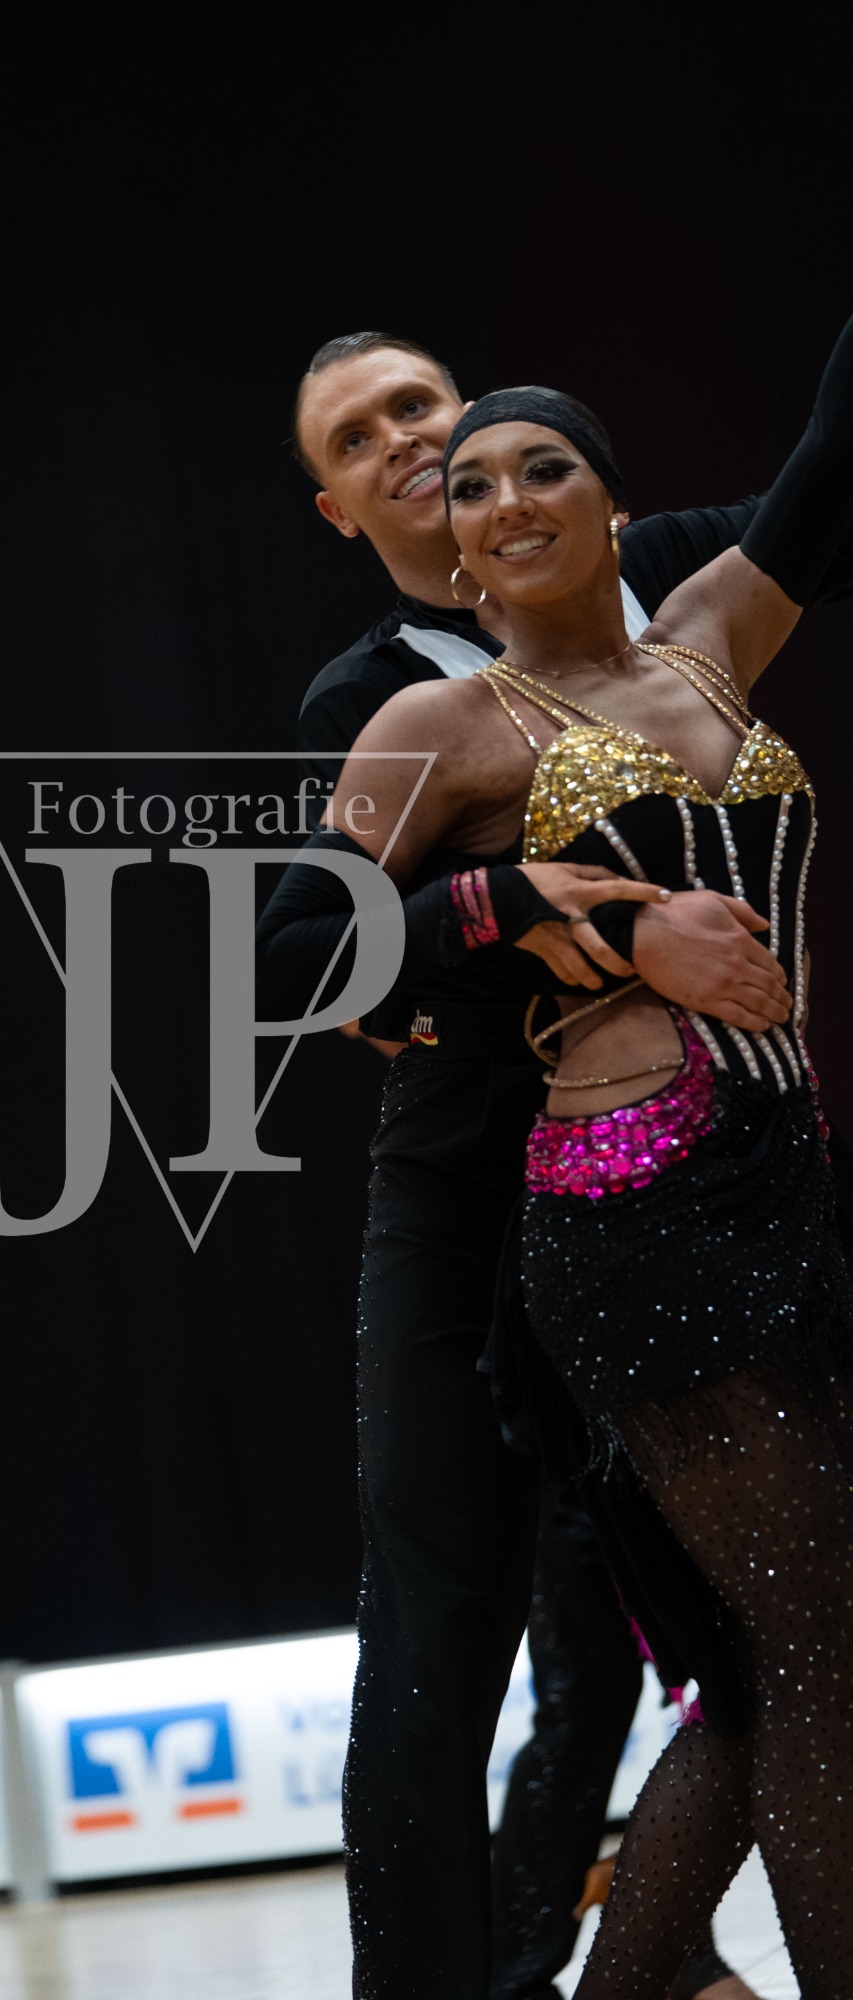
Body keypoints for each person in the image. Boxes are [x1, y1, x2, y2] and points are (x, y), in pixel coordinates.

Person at [262, 310, 853, 1996]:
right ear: (367, 515)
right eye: (377, 446)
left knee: (728, 1652)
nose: (473, 481)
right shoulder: (387, 705)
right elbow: (298, 955)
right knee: (448, 1623)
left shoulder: (671, 592)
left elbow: (821, 479)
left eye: (428, 413)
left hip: (770, 1170)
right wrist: (528, 907)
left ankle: (628, 1967)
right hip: (519, 1192)